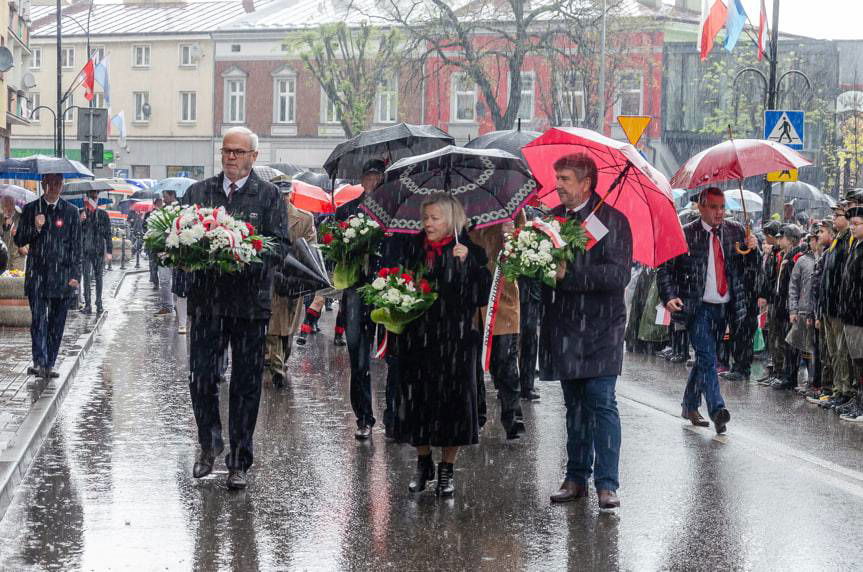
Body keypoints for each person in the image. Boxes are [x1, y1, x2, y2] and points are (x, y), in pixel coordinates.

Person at [182, 126, 290, 490]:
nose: (231, 157)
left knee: (245, 385)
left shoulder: (269, 196)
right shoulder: (200, 193)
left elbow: (280, 247)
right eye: (227, 151)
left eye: (239, 152)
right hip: (208, 303)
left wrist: (245, 254)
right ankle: (209, 444)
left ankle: (239, 460)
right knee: (201, 377)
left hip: (249, 306)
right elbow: (179, 240)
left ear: (253, 157)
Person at [541, 153, 631, 510]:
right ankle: (575, 477)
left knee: (602, 402)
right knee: (574, 407)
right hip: (566, 327)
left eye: (565, 178)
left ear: (586, 183)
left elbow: (617, 275)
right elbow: (541, 274)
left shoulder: (613, 221)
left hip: (603, 329)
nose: (559, 185)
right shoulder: (552, 221)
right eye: (557, 177)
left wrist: (571, 276)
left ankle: (606, 484)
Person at [398, 193, 491, 497]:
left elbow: (480, 297)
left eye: (435, 218)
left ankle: (447, 470)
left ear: (451, 220)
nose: (427, 223)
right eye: (425, 218)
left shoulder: (471, 251)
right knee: (418, 403)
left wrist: (466, 266)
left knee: (454, 407)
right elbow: (397, 281)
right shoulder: (413, 248)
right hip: (418, 338)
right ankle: (423, 461)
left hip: (456, 340)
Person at [658, 187, 759, 435]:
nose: (719, 212)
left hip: (725, 306)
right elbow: (665, 269)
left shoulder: (736, 232)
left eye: (722, 207)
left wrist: (753, 250)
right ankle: (717, 409)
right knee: (707, 358)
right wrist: (669, 296)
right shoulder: (686, 234)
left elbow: (750, 270)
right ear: (700, 207)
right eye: (713, 207)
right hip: (697, 307)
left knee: (705, 358)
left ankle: (689, 404)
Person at [334, 159, 385, 440]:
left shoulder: (396, 210)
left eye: (379, 177)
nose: (374, 182)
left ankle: (395, 415)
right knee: (359, 357)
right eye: (369, 176)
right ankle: (364, 417)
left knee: (393, 357)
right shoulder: (348, 211)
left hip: (388, 288)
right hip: (356, 290)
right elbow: (334, 249)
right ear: (363, 179)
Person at [14, 173, 82, 379]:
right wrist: (36, 227)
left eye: (58, 184)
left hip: (62, 277)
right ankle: (40, 361)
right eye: (51, 183)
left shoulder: (71, 211)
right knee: (39, 320)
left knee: (56, 322)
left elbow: (76, 247)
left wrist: (75, 275)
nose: (55, 187)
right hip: (37, 275)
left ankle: (50, 362)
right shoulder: (31, 209)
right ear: (43, 185)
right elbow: (19, 240)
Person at [470, 217, 525, 440]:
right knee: (471, 361)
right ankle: (475, 415)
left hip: (503, 295)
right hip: (471, 296)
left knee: (504, 359)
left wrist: (513, 237)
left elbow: (525, 257)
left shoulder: (512, 209)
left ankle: (513, 416)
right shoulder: (461, 203)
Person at [266, 187, 316, 388]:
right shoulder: (265, 215)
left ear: (290, 195)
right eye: (279, 194)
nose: (283, 198)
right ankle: (275, 365)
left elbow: (312, 247)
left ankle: (280, 359)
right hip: (270, 278)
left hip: (294, 280)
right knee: (272, 326)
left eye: (285, 194)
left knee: (287, 330)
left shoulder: (305, 218)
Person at [816, 204, 856, 410]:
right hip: (828, 307)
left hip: (839, 308)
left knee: (842, 353)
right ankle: (838, 390)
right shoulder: (837, 241)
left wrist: (841, 304)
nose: (834, 218)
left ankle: (845, 391)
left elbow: (844, 278)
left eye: (838, 214)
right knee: (833, 352)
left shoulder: (848, 241)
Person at [767, 224, 806, 390]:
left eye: (781, 237)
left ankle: (788, 376)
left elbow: (793, 286)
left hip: (788, 306)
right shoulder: (782, 255)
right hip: (780, 303)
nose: (778, 240)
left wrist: (791, 307)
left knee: (789, 344)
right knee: (779, 340)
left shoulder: (796, 256)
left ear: (790, 239)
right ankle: (781, 373)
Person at [837, 206, 863, 422]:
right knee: (856, 360)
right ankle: (858, 399)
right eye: (852, 224)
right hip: (851, 314)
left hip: (859, 315)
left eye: (857, 224)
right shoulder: (856, 247)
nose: (853, 228)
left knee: (861, 360)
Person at [755, 221, 784, 382]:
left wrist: (767, 294)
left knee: (777, 337)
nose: (766, 241)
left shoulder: (778, 254)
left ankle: (778, 371)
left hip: (776, 300)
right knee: (772, 335)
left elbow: (772, 278)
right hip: (771, 299)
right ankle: (772, 369)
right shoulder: (772, 253)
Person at [79, 190, 112, 314]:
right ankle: (88, 304)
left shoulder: (103, 214)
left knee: (99, 277)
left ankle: (99, 303)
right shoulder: (81, 213)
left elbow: (108, 234)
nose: (95, 199)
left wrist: (109, 251)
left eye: (96, 197)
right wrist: (80, 220)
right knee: (86, 277)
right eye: (92, 197)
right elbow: (76, 232)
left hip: (98, 250)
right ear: (86, 198)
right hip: (85, 250)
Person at [155, 191, 178, 317]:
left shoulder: (181, 210)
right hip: (162, 250)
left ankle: (176, 306)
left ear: (172, 195)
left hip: (177, 250)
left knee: (177, 279)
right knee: (164, 279)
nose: (163, 198)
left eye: (165, 196)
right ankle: (166, 306)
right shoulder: (161, 211)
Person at [2, 196, 27, 272]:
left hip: (17, 265)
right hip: (3, 263)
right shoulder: (1, 219)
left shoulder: (22, 219)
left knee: (16, 283)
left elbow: (25, 251)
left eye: (8, 205)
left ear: (13, 204)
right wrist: (4, 226)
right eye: (4, 205)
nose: (6, 208)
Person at [144, 197, 163, 289]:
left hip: (161, 243)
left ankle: (159, 281)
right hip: (152, 242)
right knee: (153, 263)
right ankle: (156, 281)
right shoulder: (149, 214)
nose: (161, 205)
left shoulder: (165, 213)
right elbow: (144, 226)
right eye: (159, 203)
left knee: (157, 263)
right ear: (155, 204)